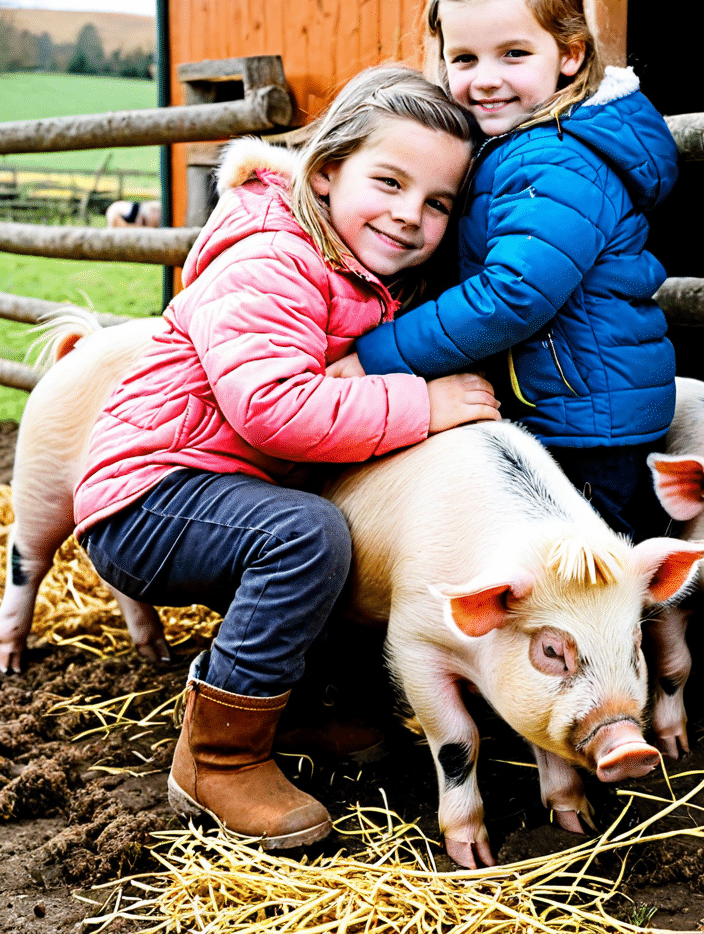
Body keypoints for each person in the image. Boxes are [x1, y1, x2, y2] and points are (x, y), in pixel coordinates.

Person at [71, 64, 500, 851]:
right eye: (390, 181)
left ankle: (301, 710)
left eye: (437, 203)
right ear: (328, 170)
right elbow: (271, 409)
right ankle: (218, 760)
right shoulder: (273, 254)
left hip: (218, 486)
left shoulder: (362, 273)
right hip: (150, 492)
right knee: (305, 536)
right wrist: (421, 404)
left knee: (335, 528)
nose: (410, 215)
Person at [341, 0, 678, 540]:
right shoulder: (513, 146)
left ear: (570, 54)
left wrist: (377, 357)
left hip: (586, 426)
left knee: (590, 584)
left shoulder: (558, 159)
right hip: (565, 408)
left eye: (513, 55)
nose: (485, 80)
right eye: (465, 59)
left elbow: (513, 294)